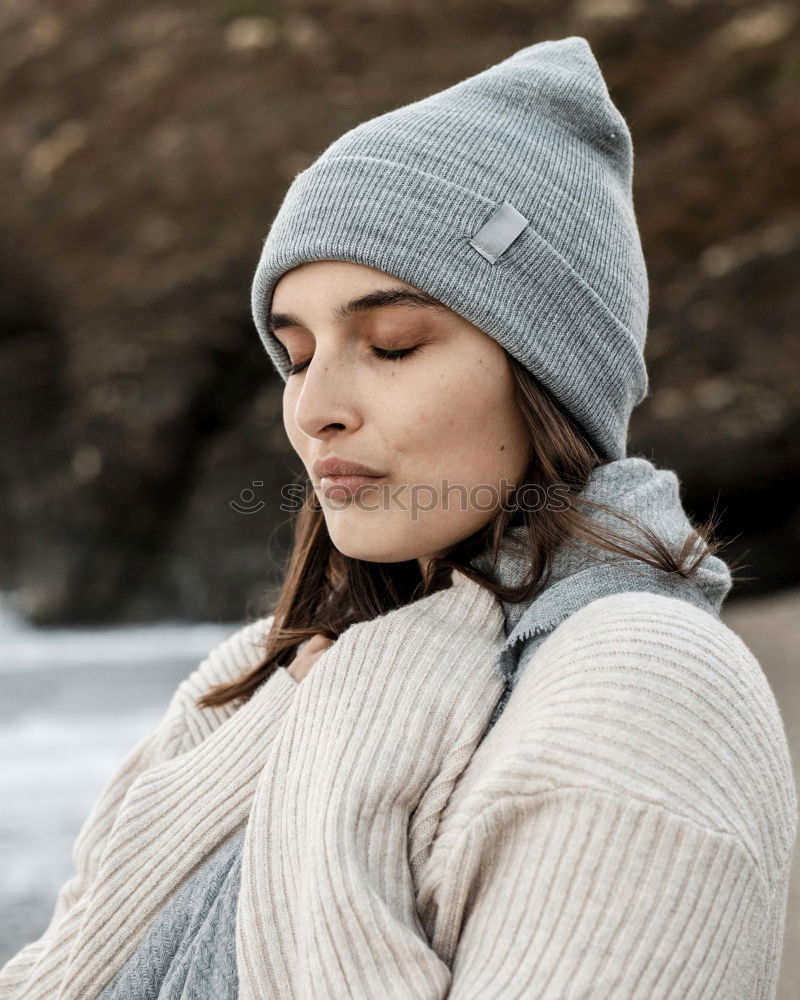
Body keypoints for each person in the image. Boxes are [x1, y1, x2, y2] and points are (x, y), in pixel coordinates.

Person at [1, 34, 796, 1000]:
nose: (313, 406)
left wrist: (347, 738)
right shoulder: (251, 683)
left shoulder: (644, 685)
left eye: (392, 343)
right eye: (295, 355)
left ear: (548, 373)